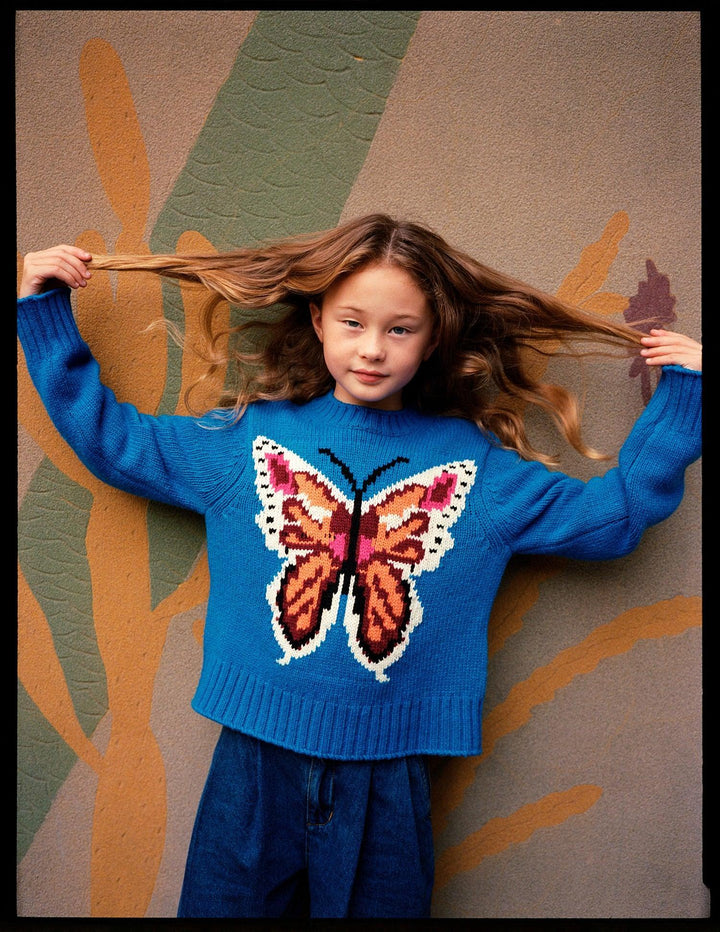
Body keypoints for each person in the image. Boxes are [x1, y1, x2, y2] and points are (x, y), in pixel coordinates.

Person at [17, 215, 701, 919]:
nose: (372, 348)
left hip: (390, 780)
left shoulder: (476, 473)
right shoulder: (249, 443)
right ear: (318, 321)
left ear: (433, 337)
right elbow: (117, 442)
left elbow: (614, 518)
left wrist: (684, 401)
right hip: (253, 766)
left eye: (400, 329)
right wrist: (44, 314)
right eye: (352, 323)